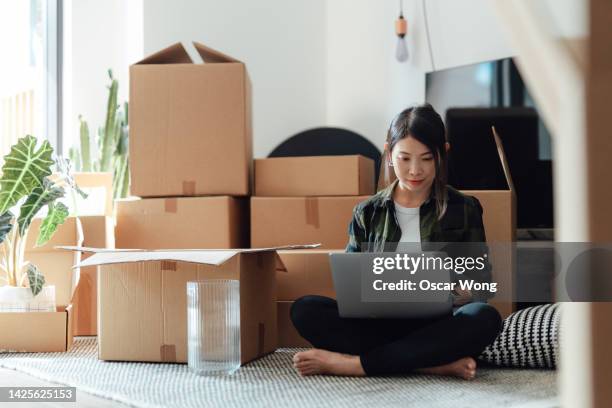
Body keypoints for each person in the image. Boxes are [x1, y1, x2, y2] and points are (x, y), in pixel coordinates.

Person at [290, 104, 502, 380]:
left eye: (427, 159)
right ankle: (430, 364)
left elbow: (482, 284)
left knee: (485, 317)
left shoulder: (465, 208)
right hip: (379, 325)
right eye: (404, 158)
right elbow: (350, 285)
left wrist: (451, 290)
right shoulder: (366, 212)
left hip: (436, 326)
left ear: (442, 154)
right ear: (389, 153)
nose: (415, 170)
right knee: (305, 310)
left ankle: (356, 365)